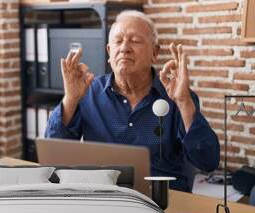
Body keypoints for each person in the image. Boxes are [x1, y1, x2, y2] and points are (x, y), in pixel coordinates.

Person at [45, 10, 220, 193]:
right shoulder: (88, 91)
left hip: (162, 200)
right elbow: (53, 158)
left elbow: (208, 162)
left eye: (135, 40)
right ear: (109, 51)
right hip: (102, 196)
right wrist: (70, 100)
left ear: (154, 53)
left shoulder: (178, 96)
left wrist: (184, 102)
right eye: (118, 41)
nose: (125, 48)